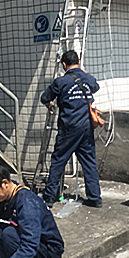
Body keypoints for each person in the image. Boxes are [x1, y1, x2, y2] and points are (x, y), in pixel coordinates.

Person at [40, 50, 102, 208]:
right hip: (86, 128)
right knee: (89, 163)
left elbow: (45, 97)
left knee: (58, 161)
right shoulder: (87, 79)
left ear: (64, 64)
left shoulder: (60, 82)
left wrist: (50, 104)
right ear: (79, 62)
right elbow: (95, 86)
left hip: (68, 128)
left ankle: (49, 197)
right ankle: (95, 198)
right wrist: (84, 74)